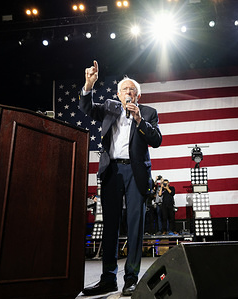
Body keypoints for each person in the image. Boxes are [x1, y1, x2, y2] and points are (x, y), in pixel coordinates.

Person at [79, 60, 162, 296]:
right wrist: (88, 84)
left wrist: (139, 120)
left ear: (138, 95)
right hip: (112, 172)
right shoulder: (109, 107)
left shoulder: (148, 113)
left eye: (133, 90)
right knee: (110, 227)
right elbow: (86, 107)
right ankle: (108, 279)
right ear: (118, 94)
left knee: (135, 227)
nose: (129, 92)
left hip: (136, 174)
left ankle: (131, 279)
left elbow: (156, 140)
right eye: (125, 89)